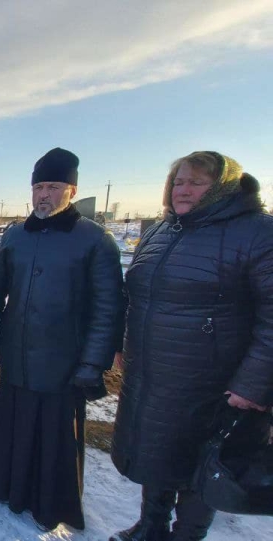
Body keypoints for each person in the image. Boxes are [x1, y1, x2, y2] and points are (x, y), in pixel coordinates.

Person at [109, 151, 273, 541]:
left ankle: (186, 535)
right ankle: (151, 526)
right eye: (178, 181)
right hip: (156, 371)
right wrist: (121, 344)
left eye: (196, 183)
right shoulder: (161, 231)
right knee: (158, 450)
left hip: (215, 381)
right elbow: (135, 296)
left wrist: (254, 383)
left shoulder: (257, 232)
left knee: (201, 465)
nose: (183, 190)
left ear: (223, 188)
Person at [0, 148, 124, 531]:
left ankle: (49, 503)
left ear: (71, 191)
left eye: (53, 187)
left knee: (55, 434)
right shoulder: (16, 236)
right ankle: (8, 487)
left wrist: (92, 363)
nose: (43, 195)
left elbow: (108, 308)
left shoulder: (95, 240)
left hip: (64, 360)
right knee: (16, 423)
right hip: (17, 352)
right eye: (38, 187)